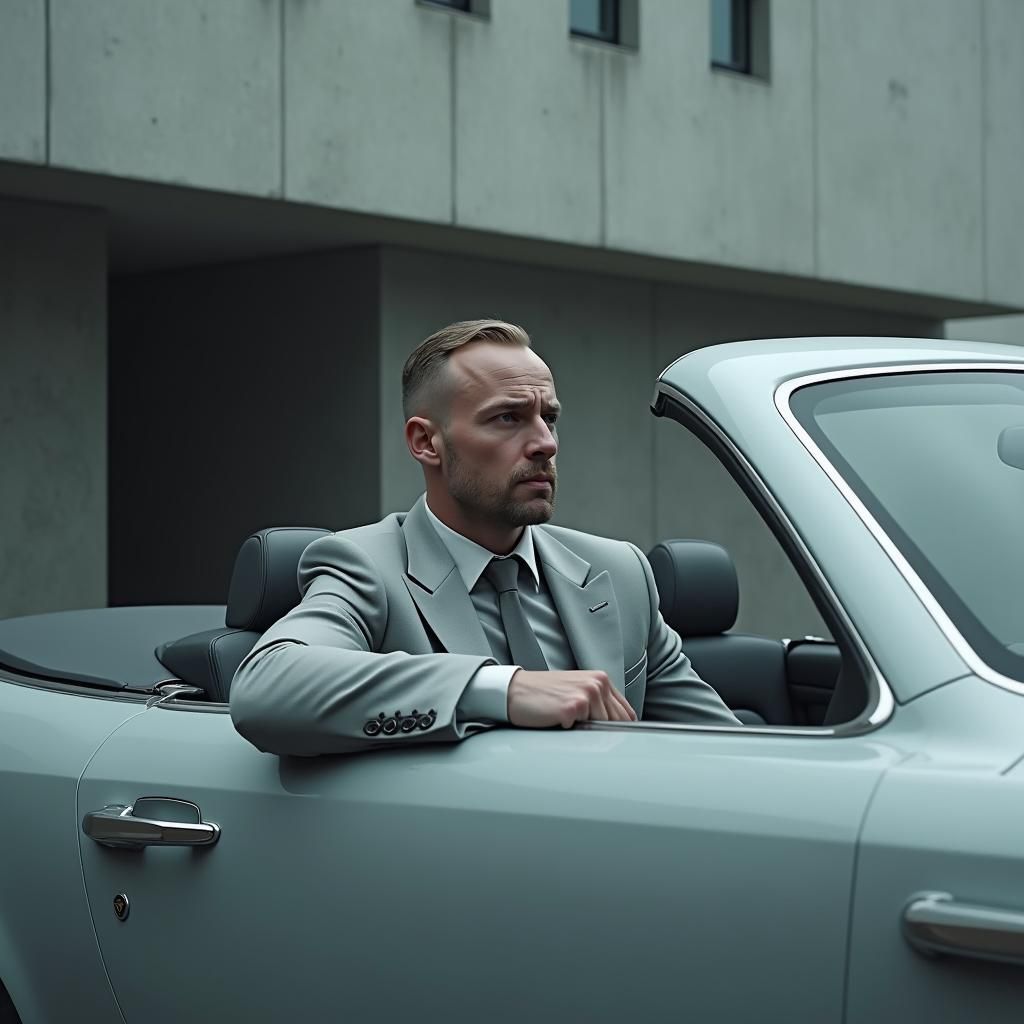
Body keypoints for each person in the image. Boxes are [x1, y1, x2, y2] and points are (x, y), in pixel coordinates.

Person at [230, 320, 739, 755]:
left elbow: (729, 752)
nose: (544, 442)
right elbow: (266, 686)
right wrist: (502, 688)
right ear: (426, 442)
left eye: (550, 418)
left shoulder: (621, 572)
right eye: (508, 418)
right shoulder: (366, 565)